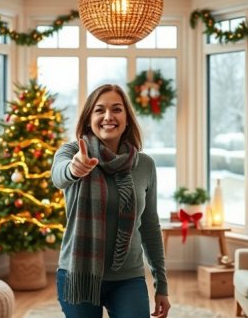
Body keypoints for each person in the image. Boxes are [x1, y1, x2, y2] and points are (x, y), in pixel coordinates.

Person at [51, 84, 170, 318]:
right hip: (77, 274)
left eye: (117, 109)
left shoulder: (145, 165)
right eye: (99, 110)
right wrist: (75, 169)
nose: (108, 116)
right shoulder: (72, 152)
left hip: (128, 278)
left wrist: (161, 284)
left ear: (127, 119)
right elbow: (59, 176)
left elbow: (149, 226)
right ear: (88, 119)